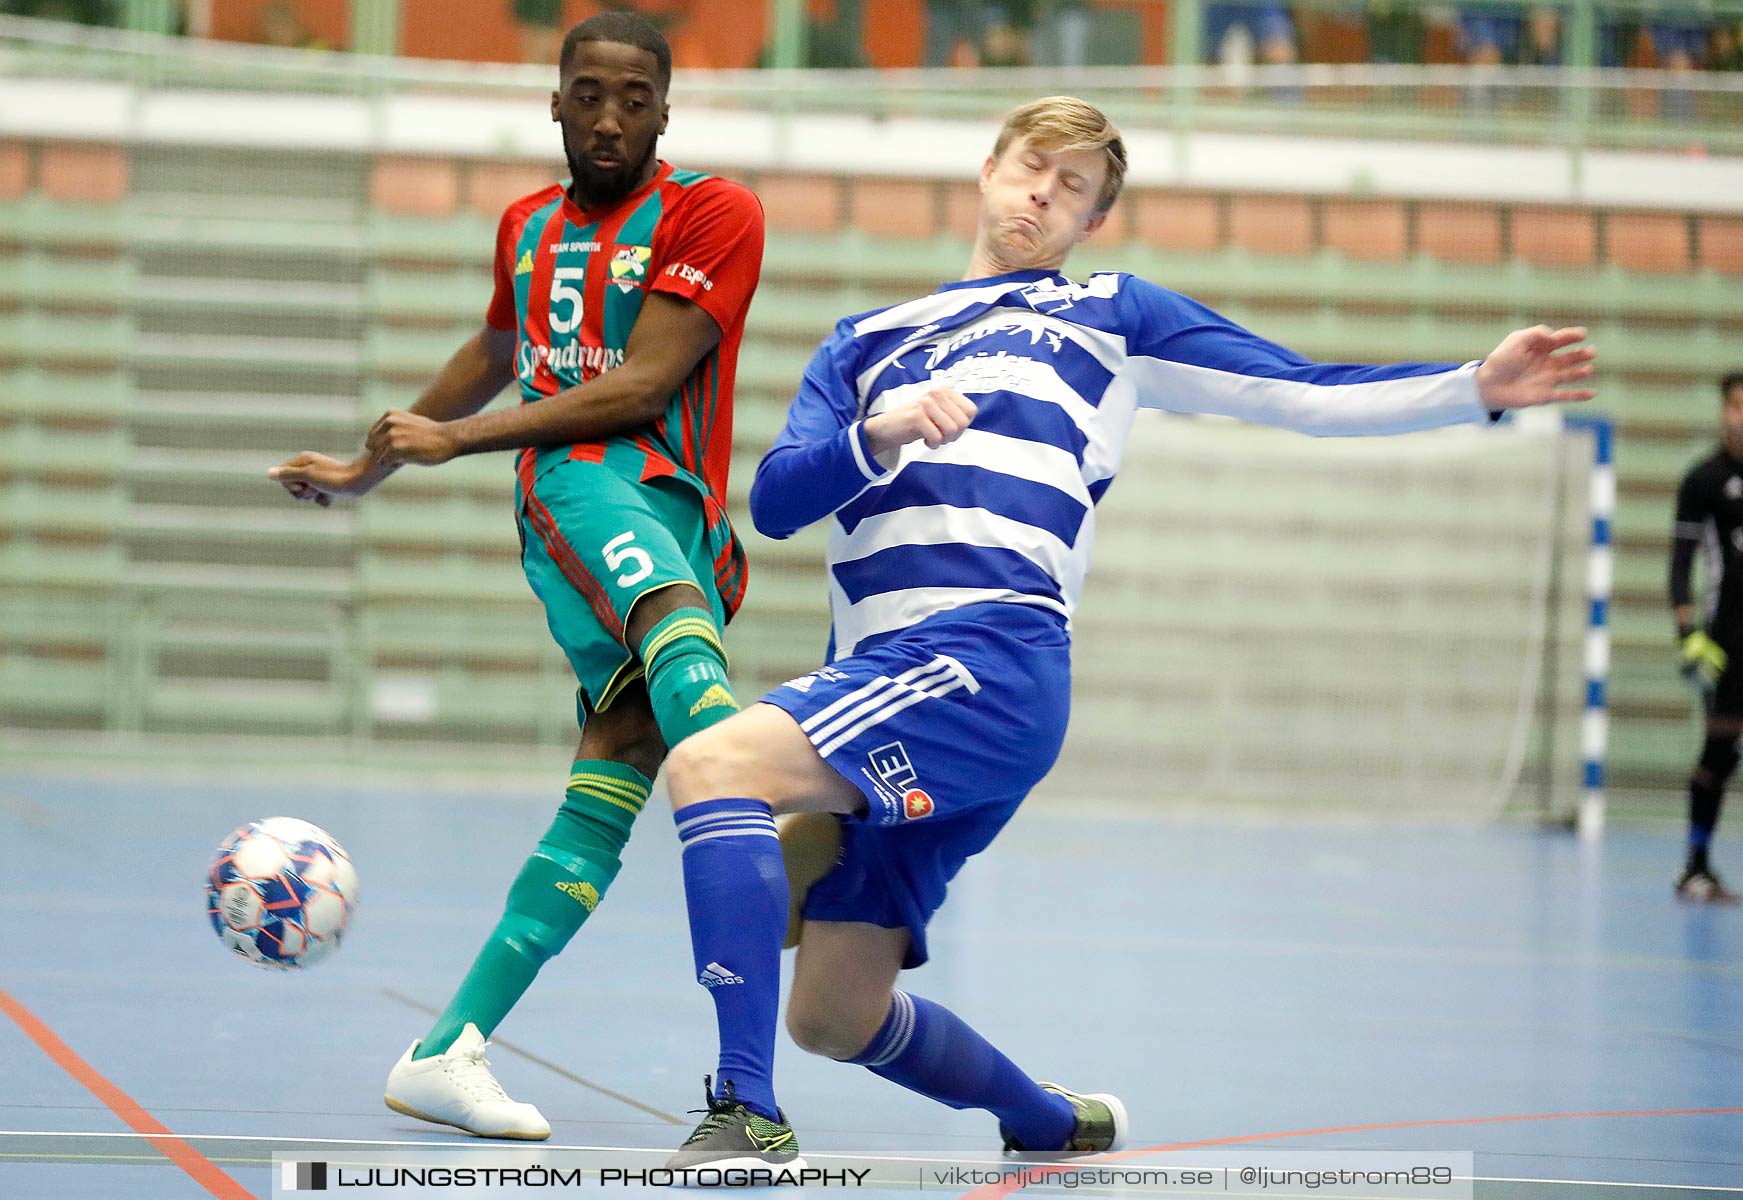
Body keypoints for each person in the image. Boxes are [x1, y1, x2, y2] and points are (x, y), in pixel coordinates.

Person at [653, 94, 1599, 1169]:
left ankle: (743, 1112)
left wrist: (1470, 387)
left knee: (712, 762)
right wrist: (875, 434)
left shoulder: (1109, 315)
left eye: (1073, 190)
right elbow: (774, 503)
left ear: (1091, 223)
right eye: (1032, 168)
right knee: (833, 1015)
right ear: (990, 168)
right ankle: (1053, 1123)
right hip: (885, 676)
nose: (1043, 194)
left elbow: (1298, 391)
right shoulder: (864, 341)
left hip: (985, 656)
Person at [267, 12, 766, 1138]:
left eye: (633, 98)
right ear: (554, 101)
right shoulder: (525, 227)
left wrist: (450, 441)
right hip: (578, 488)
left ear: (664, 111)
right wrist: (367, 469)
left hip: (678, 500)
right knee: (679, 641)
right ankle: (778, 824)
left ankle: (445, 1049)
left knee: (623, 762)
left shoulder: (712, 210)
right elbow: (496, 353)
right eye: (587, 93)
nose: (608, 116)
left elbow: (646, 384)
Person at [1668, 372, 1743, 905]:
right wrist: (1686, 633)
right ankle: (1695, 867)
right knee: (1720, 748)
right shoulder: (1703, 479)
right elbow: (1680, 564)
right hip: (1728, 638)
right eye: (1736, 405)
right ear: (1724, 411)